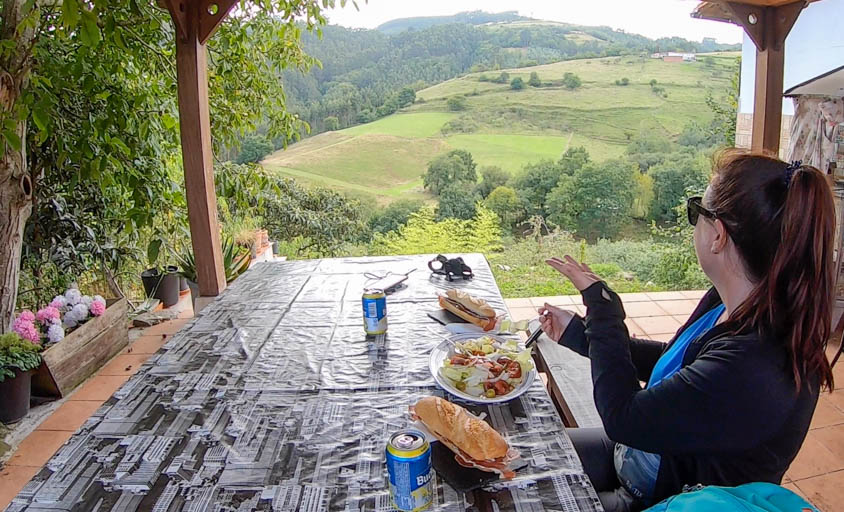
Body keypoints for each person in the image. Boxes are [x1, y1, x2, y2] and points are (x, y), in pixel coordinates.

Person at [538, 151, 836, 512]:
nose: (694, 223)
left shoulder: (754, 363)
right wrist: (579, 335)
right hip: (643, 460)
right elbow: (679, 365)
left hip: (666, 497)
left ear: (718, 236)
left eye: (698, 211)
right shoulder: (736, 304)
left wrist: (602, 309)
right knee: (532, 453)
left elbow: (622, 417)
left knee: (532, 499)